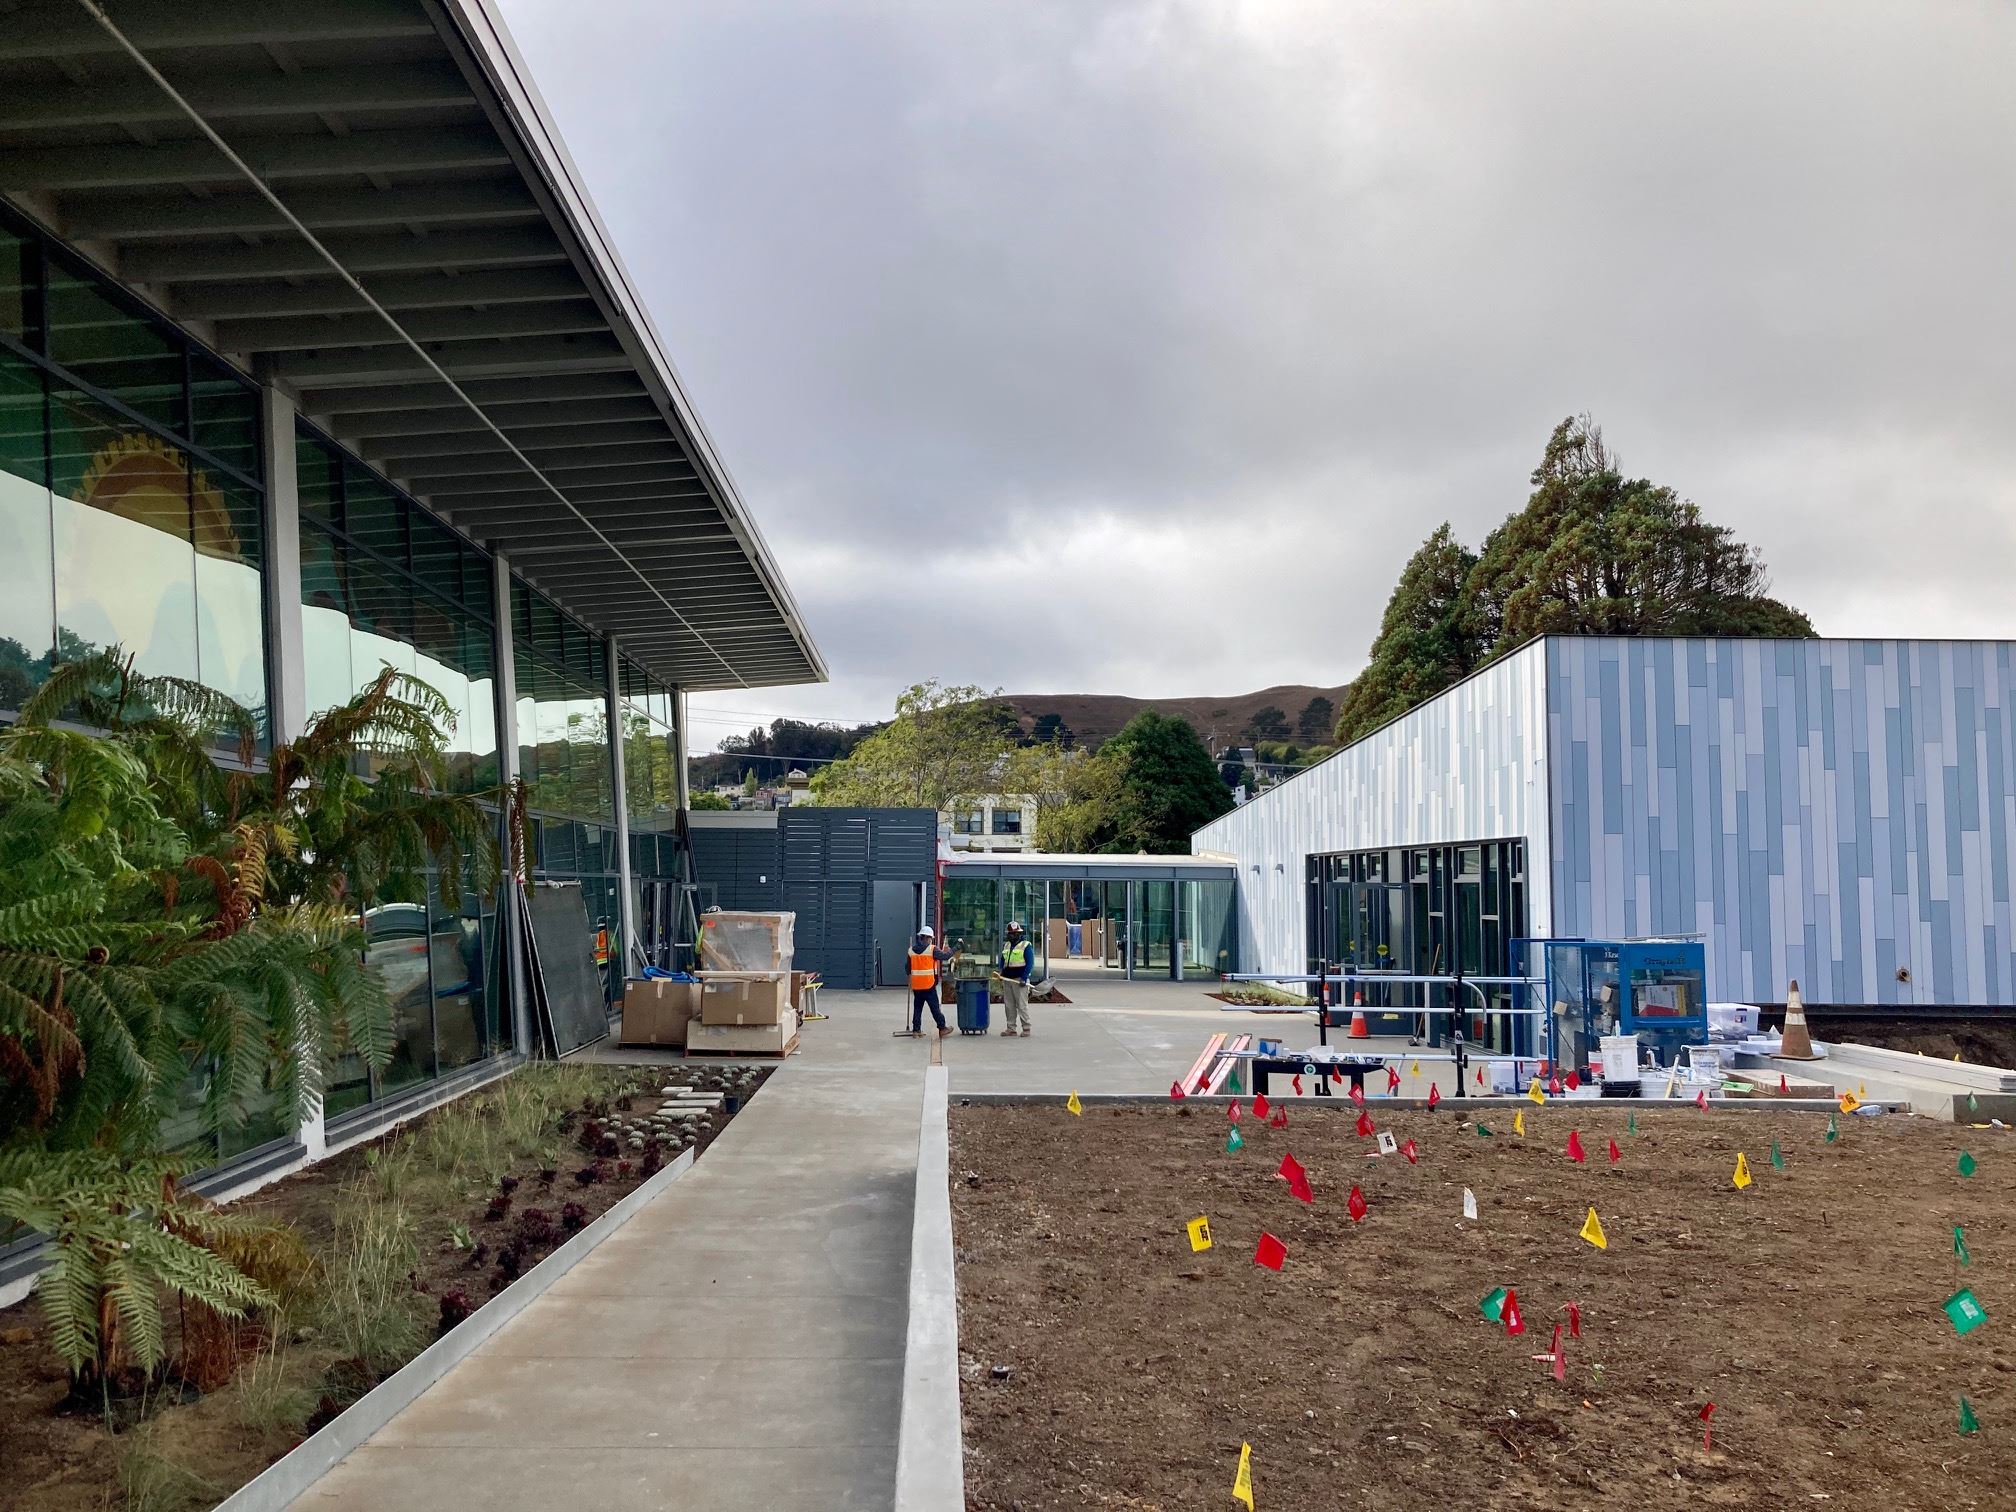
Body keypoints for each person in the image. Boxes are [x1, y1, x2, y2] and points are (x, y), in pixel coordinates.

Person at [898, 925, 953, 1038]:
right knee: (934, 1008)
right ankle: (942, 1028)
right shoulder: (932, 949)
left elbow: (907, 968)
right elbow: (946, 956)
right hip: (928, 984)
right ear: (928, 938)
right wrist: (956, 948)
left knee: (917, 1008)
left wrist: (910, 979)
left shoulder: (911, 951)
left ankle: (916, 1030)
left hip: (917, 985)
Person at [996, 920, 1035, 1037]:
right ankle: (1011, 1028)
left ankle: (1026, 1028)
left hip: (1019, 980)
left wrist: (1024, 978)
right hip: (1008, 979)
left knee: (1022, 1005)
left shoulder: (1026, 946)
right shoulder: (1007, 945)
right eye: (1010, 934)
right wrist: (1000, 972)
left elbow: (1030, 963)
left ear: (1019, 934)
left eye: (1015, 933)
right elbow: (1003, 960)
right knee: (1009, 1005)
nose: (1012, 936)